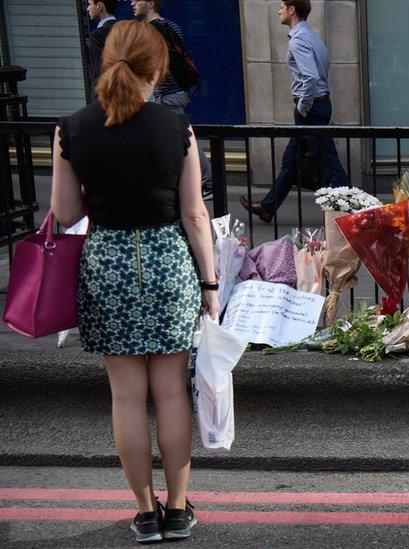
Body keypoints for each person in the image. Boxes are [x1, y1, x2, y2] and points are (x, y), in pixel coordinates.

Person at [51, 20, 217, 544]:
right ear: (158, 68)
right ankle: (178, 508)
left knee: (125, 396)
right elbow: (194, 216)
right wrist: (210, 284)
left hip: (109, 265)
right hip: (168, 264)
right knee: (170, 391)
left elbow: (63, 212)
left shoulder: (72, 128)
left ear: (107, 62)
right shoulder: (177, 129)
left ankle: (145, 515)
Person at [240, 0, 350, 223]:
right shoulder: (312, 36)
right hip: (318, 105)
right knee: (291, 160)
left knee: (329, 162)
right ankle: (267, 207)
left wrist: (302, 107)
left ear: (292, 10)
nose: (278, 10)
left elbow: (310, 77)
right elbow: (324, 66)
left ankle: (357, 211)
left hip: (310, 108)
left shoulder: (298, 41)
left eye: (281, 6)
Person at [131, 0, 213, 199]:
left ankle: (209, 182)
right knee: (174, 137)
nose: (132, 3)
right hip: (173, 93)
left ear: (150, 3)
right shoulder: (170, 25)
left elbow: (154, 65)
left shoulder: (149, 31)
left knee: (184, 138)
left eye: (137, 0)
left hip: (166, 95)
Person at [86, 0, 119, 94]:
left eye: (90, 4)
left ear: (99, 6)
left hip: (105, 96)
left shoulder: (97, 35)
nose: (88, 9)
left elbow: (100, 72)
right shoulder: (126, 30)